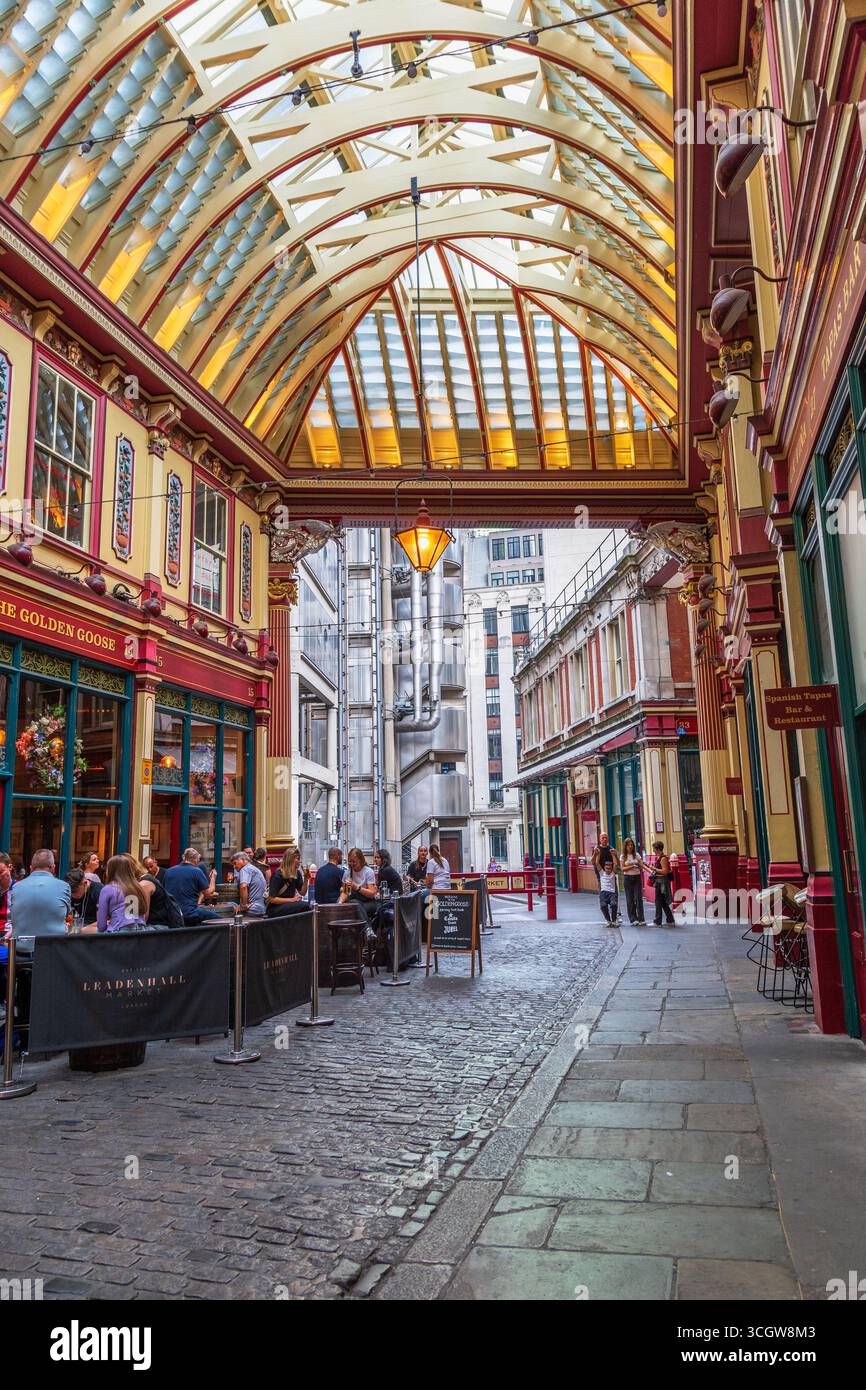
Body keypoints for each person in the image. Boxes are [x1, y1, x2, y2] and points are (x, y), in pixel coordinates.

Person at [7, 849, 71, 949]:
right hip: (53, 951)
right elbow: (66, 916)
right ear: (53, 868)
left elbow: (13, 918)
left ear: (31, 868)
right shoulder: (64, 886)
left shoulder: (16, 887)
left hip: (20, 951)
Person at [87, 854, 150, 933]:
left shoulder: (107, 889)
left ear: (111, 871)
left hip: (119, 934)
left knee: (84, 931)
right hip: (141, 932)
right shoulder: (138, 887)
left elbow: (101, 926)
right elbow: (143, 915)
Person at [165, 848, 221, 925]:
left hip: (171, 914)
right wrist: (213, 878)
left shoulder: (168, 871)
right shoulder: (196, 871)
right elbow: (208, 893)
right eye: (198, 859)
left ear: (183, 857)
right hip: (189, 913)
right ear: (195, 859)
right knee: (221, 920)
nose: (199, 861)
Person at [592, 834, 621, 926]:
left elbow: (617, 863)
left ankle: (615, 917)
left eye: (606, 838)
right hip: (601, 875)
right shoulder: (597, 849)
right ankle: (608, 919)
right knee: (603, 899)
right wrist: (596, 854)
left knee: (614, 898)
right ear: (600, 839)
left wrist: (615, 855)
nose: (604, 839)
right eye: (603, 838)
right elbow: (594, 862)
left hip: (611, 874)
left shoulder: (611, 848)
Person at [231, 851, 267, 918]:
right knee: (232, 905)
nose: (234, 866)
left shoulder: (244, 869)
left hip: (254, 908)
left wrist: (244, 905)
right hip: (261, 907)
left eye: (235, 863)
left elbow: (243, 886)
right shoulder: (251, 868)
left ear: (243, 860)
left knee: (229, 910)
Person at [620, 838, 647, 926]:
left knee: (638, 898)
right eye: (628, 845)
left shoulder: (637, 855)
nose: (630, 846)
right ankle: (633, 919)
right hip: (627, 878)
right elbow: (623, 868)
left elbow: (642, 865)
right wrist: (632, 866)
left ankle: (641, 918)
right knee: (630, 899)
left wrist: (650, 871)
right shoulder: (623, 856)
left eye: (632, 845)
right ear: (625, 846)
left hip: (637, 878)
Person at [651, 840, 676, 926]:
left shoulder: (663, 858)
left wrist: (654, 869)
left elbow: (665, 871)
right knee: (662, 902)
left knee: (659, 901)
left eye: (654, 848)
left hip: (662, 882)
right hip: (659, 881)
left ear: (657, 849)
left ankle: (658, 921)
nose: (653, 850)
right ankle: (670, 919)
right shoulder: (659, 858)